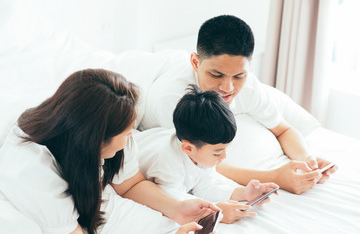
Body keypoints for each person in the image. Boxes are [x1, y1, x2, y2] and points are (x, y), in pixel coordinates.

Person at [0, 69, 220, 234]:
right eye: (125, 134)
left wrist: (177, 208)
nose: (131, 138)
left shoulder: (106, 139)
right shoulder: (36, 172)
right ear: (95, 141)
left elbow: (129, 184)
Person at [138, 15, 337, 195]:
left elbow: (283, 129)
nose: (228, 87)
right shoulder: (175, 101)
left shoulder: (249, 86)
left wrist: (307, 162)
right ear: (196, 62)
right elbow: (200, 163)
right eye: (216, 75)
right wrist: (276, 177)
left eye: (239, 76)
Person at [135, 85, 279, 224]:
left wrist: (244, 193)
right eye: (217, 153)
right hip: (141, 144)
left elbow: (205, 186)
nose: (224, 158)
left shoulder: (200, 154)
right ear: (188, 149)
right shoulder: (167, 162)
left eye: (224, 150)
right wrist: (217, 211)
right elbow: (175, 201)